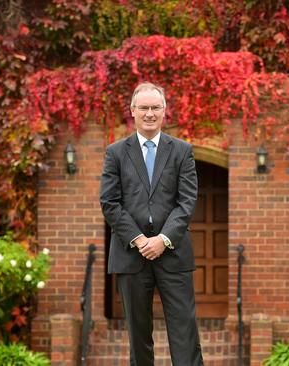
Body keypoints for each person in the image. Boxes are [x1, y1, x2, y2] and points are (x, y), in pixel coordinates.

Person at [100, 82, 203, 365]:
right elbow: (110, 202)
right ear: (132, 111)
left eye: (155, 107)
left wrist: (162, 239)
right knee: (139, 336)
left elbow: (187, 201)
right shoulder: (116, 153)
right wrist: (139, 239)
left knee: (185, 334)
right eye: (143, 108)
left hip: (174, 253)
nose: (149, 113)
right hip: (131, 255)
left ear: (164, 111)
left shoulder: (182, 151)